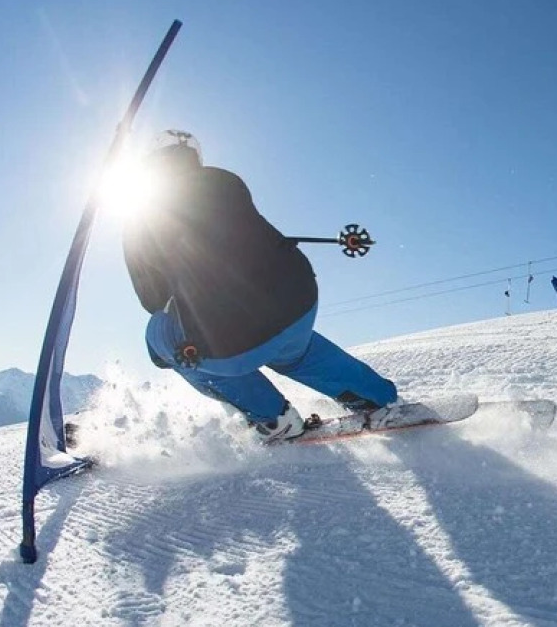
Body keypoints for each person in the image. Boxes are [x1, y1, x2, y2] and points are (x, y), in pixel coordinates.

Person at [121, 130, 399, 441]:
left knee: (158, 335)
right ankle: (376, 398)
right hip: (299, 302)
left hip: (234, 336)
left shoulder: (141, 216)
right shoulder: (226, 181)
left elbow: (152, 297)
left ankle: (273, 418)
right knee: (294, 349)